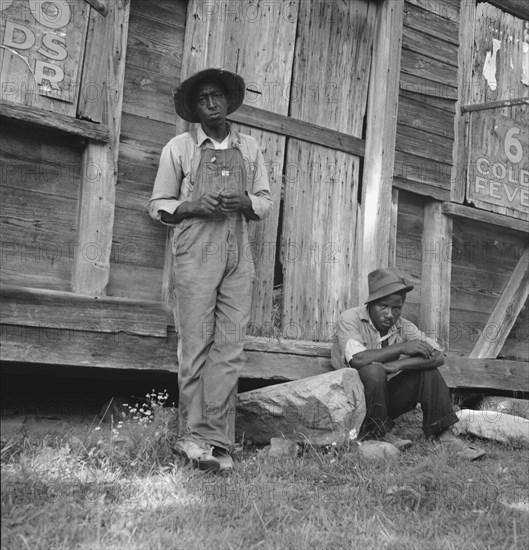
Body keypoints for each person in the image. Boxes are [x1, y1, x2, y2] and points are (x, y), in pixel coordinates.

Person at [148, 68, 272, 473]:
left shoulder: (250, 147)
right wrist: (191, 206)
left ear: (227, 100)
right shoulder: (179, 148)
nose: (212, 104)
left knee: (231, 346)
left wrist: (246, 201)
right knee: (196, 344)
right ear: (195, 109)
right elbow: (159, 204)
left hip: (238, 250)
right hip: (196, 249)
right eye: (203, 99)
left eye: (217, 96)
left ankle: (215, 439)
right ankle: (194, 438)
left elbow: (266, 200)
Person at [331, 267, 486, 460]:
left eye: (396, 308)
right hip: (350, 405)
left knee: (427, 372)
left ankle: (445, 437)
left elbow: (438, 357)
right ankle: (377, 434)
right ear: (370, 304)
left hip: (381, 402)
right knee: (373, 370)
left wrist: (398, 365)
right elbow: (358, 359)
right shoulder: (351, 318)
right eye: (382, 307)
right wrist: (403, 348)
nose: (389, 314)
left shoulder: (403, 326)